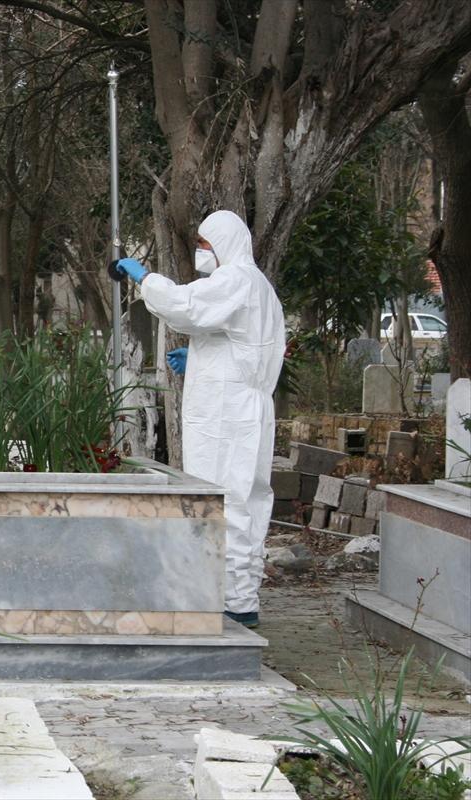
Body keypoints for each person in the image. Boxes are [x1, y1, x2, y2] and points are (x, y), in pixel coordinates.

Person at [114, 210, 285, 628]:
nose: (199, 252)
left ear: (225, 244)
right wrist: (200, 358)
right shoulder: (257, 286)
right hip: (241, 407)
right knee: (240, 498)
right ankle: (233, 595)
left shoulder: (236, 280)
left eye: (205, 244)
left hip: (228, 415)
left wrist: (143, 277)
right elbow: (249, 345)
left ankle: (233, 603)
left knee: (228, 499)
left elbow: (186, 306)